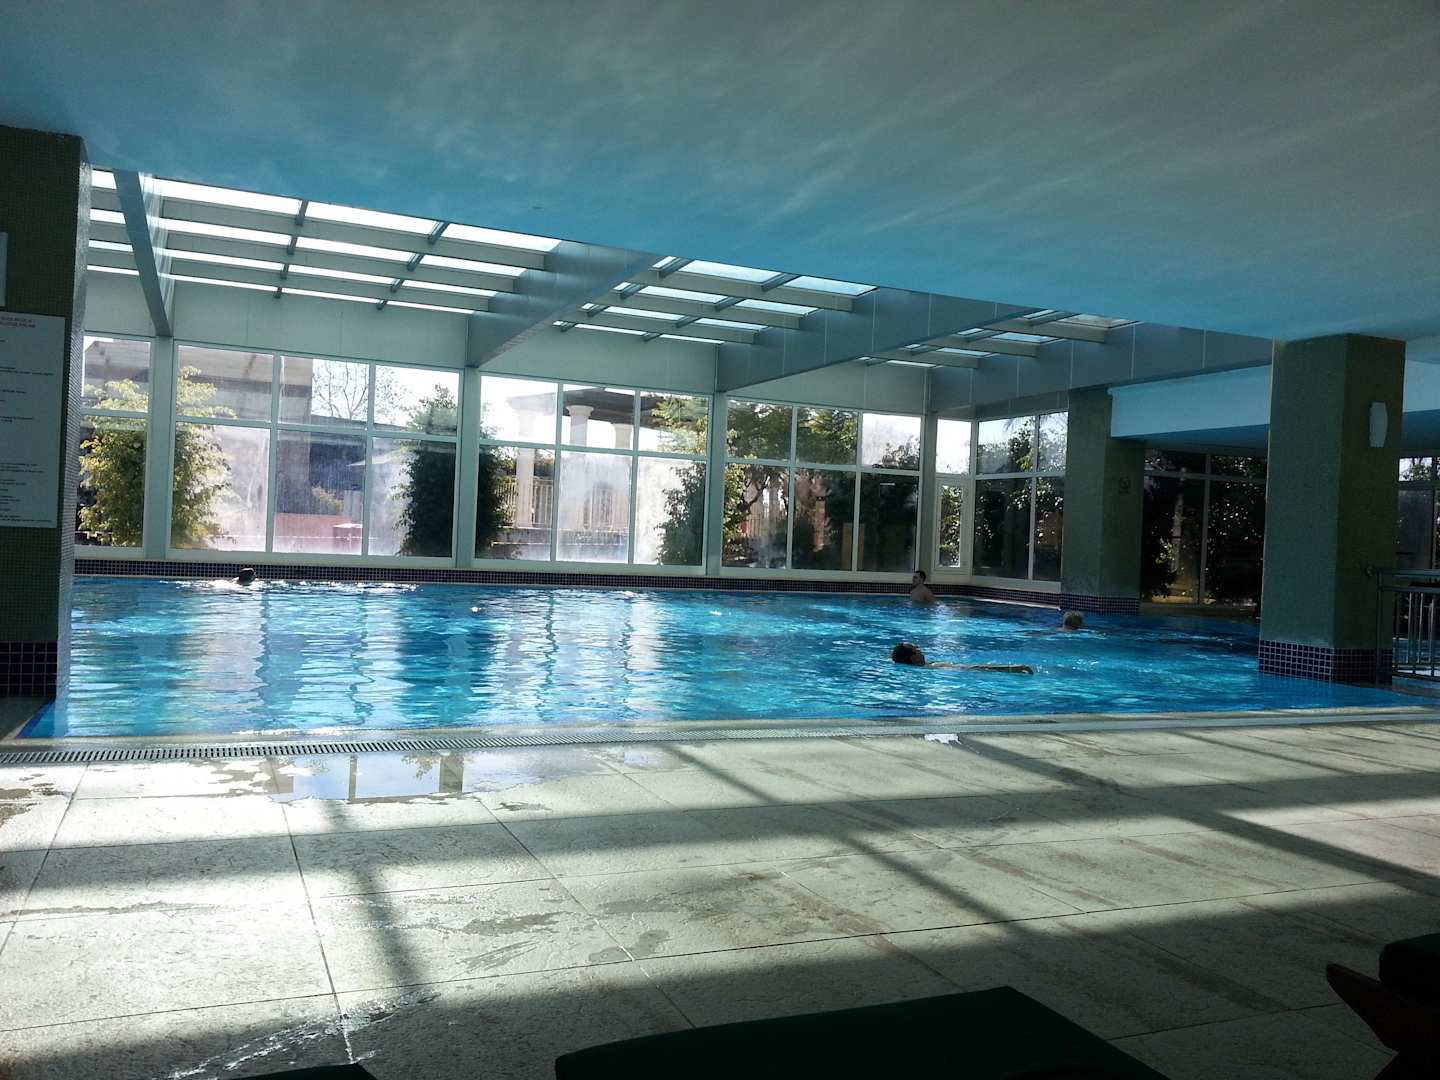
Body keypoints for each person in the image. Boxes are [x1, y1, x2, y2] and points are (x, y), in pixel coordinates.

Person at [891, 642, 1034, 675]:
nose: (921, 650)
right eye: (917, 649)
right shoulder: (936, 667)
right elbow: (976, 668)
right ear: (914, 659)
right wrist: (1011, 668)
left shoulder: (926, 666)